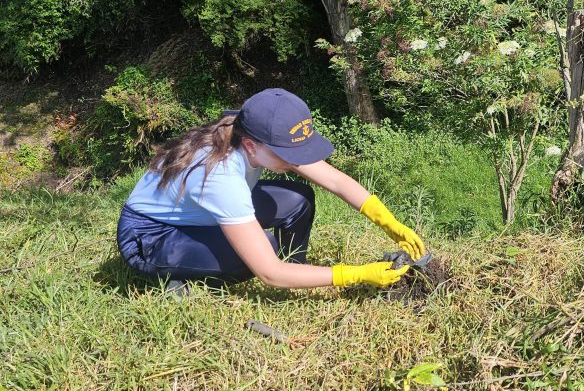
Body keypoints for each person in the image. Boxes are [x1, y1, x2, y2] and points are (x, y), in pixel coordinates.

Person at [115, 88, 424, 292]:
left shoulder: (250, 133)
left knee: (298, 200)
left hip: (199, 214)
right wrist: (353, 274)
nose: (296, 162)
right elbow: (270, 274)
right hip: (152, 235)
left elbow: (337, 181)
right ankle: (174, 278)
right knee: (260, 254)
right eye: (288, 155)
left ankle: (300, 270)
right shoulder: (221, 177)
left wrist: (391, 224)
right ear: (251, 146)